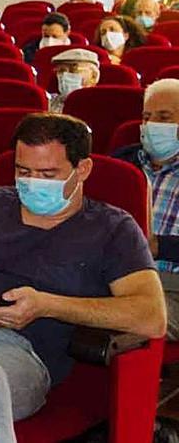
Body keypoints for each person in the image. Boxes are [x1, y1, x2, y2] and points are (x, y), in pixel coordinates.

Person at [0, 113, 164, 423]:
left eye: (47, 174)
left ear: (82, 169)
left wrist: (47, 305)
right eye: (23, 172)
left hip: (20, 353)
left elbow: (151, 317)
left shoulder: (112, 228)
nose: (32, 182)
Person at [112, 78, 179, 339]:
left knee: (119, 322)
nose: (152, 126)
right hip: (115, 278)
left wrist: (158, 246)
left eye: (164, 117)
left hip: (172, 287)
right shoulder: (121, 163)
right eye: (147, 117)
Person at [47, 48, 99, 113]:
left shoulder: (100, 103)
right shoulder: (48, 102)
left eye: (74, 70)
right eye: (61, 71)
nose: (65, 75)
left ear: (93, 76)